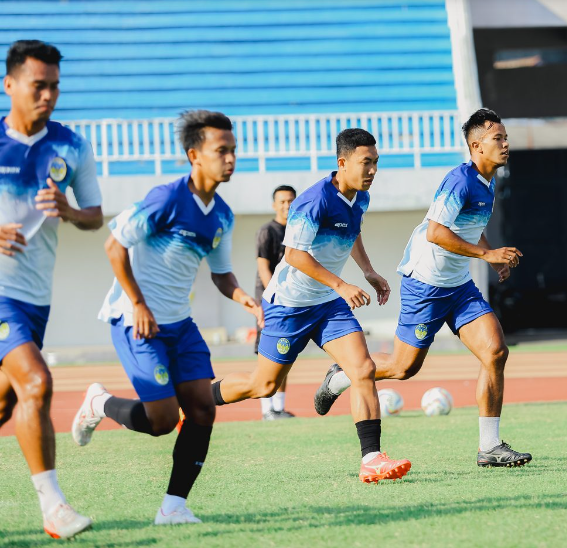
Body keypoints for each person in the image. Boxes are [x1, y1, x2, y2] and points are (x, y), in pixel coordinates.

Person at [71, 110, 262, 525]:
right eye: (221, 151)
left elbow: (220, 272)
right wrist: (138, 304)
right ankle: (99, 403)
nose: (230, 158)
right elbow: (113, 247)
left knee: (201, 410)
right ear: (195, 154)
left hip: (181, 326)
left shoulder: (223, 215)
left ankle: (173, 507)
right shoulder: (165, 199)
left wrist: (247, 299)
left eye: (233, 150)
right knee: (160, 421)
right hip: (136, 321)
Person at [313, 109, 533, 468]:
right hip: (426, 283)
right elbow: (436, 231)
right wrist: (487, 253)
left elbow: (467, 224)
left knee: (495, 352)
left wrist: (489, 254)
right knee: (404, 368)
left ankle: (489, 446)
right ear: (476, 146)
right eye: (499, 139)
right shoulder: (459, 181)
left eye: (506, 138)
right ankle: (341, 377)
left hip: (458, 284)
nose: (506, 144)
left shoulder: (489, 181)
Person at [209, 128, 411, 483]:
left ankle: (372, 459)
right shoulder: (313, 201)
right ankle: (197, 397)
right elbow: (294, 255)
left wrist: (368, 271)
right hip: (288, 306)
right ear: (342, 163)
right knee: (265, 386)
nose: (373, 170)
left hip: (327, 304)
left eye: (376, 163)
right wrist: (341, 283)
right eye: (367, 163)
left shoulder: (360, 198)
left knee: (362, 369)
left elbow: (352, 232)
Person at [0, 40, 102, 539]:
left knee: (6, 404)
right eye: (38, 85)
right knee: (37, 384)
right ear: (10, 85)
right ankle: (54, 508)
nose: (49, 95)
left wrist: (67, 210)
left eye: (55, 86)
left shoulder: (71, 146)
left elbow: (95, 215)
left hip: (34, 298)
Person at [255, 185, 297, 420]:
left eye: (291, 200)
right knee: (267, 354)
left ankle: (278, 408)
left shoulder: (297, 231)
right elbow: (263, 268)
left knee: (285, 352)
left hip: (292, 301)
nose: (287, 205)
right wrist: (275, 297)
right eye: (282, 201)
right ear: (274, 205)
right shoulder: (267, 231)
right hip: (271, 302)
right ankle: (266, 410)